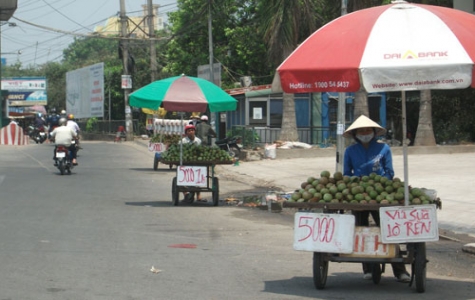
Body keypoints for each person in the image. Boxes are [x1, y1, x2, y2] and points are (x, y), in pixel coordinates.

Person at [343, 115, 410, 283]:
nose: (364, 133)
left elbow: (389, 172)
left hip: (381, 196)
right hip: (358, 196)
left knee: (388, 231)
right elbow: (346, 173)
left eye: (367, 130)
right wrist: (355, 182)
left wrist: (380, 182)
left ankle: (400, 270)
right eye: (361, 131)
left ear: (374, 132)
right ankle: (367, 268)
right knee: (361, 230)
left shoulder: (384, 149)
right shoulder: (350, 151)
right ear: (355, 134)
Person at [181, 124, 203, 202]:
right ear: (186, 132)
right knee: (181, 178)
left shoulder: (198, 140)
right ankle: (185, 194)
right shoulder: (183, 141)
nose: (191, 132)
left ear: (194, 131)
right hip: (186, 162)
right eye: (189, 131)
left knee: (198, 177)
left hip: (196, 162)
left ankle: (198, 195)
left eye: (192, 130)